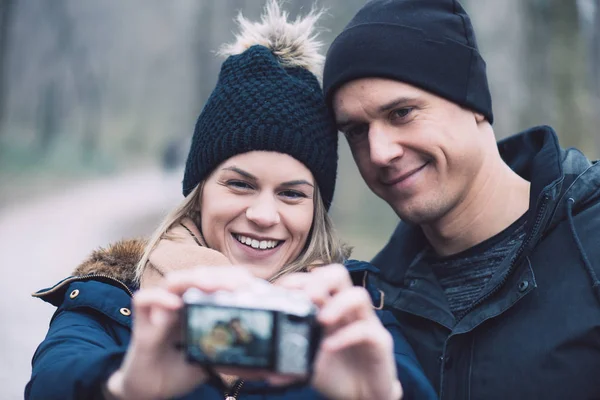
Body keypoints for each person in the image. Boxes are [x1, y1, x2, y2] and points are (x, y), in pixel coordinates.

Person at [25, 2, 437, 400]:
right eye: (239, 184)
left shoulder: (353, 314)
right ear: (199, 193)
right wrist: (120, 387)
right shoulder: (112, 299)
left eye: (292, 194)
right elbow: (53, 380)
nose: (262, 215)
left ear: (316, 210)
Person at [322, 0, 600, 398]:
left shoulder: (590, 242)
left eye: (401, 113)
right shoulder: (373, 304)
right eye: (356, 132)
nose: (380, 151)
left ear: (472, 102)